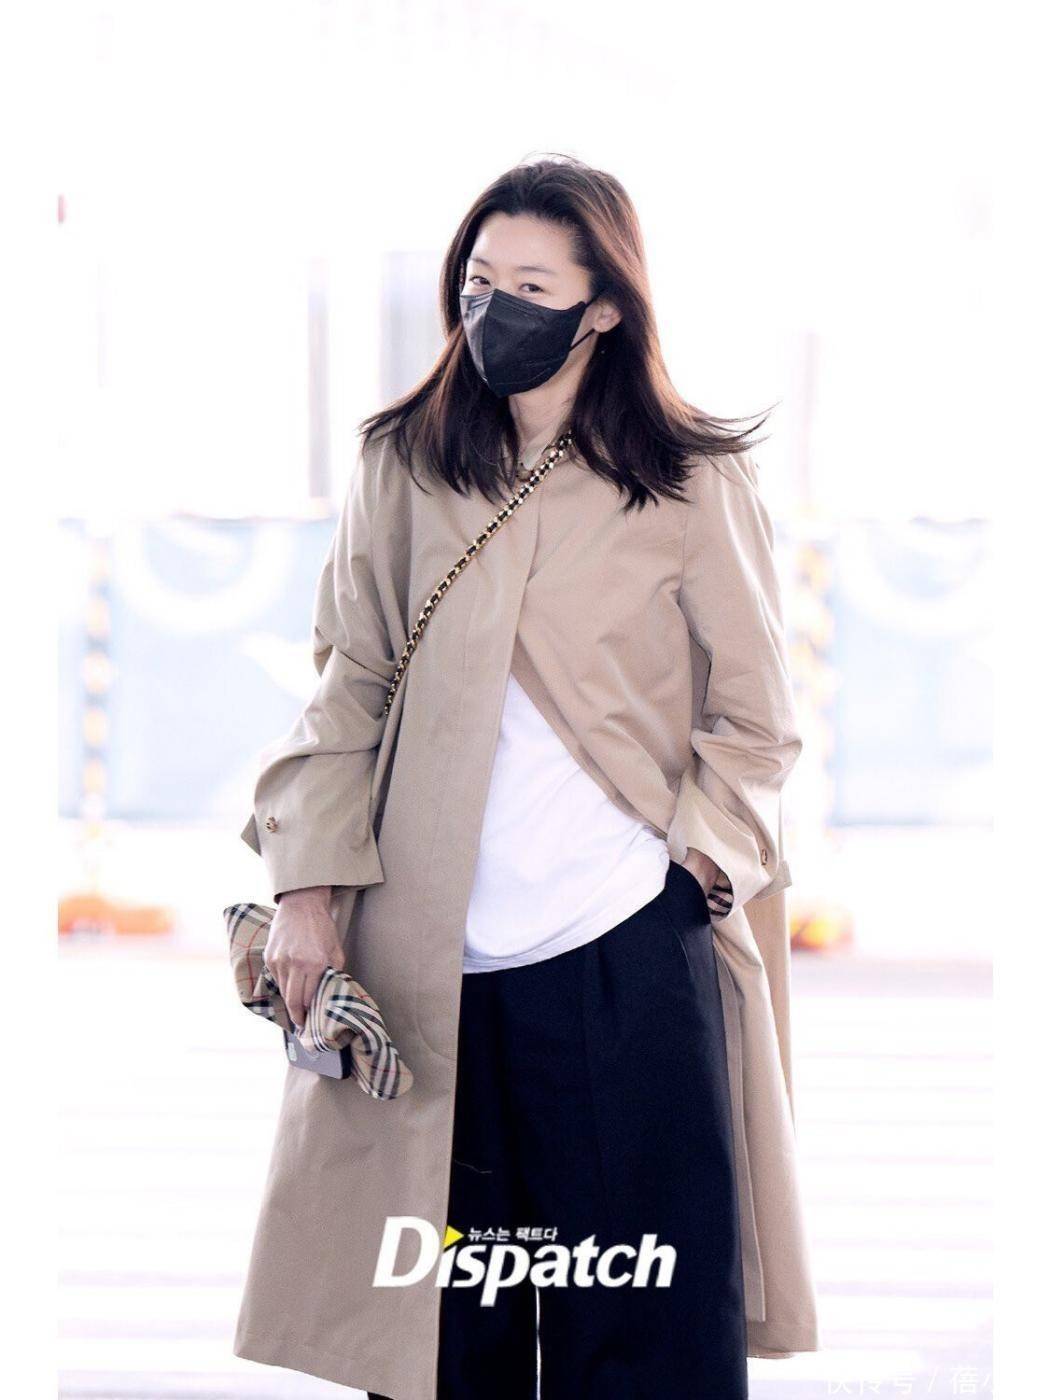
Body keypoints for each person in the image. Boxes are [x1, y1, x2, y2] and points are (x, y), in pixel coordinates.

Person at [234, 153, 819, 1400]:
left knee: (644, 1334)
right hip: (431, 973)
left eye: (533, 286)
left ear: (603, 305)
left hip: (625, 958)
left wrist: (690, 869)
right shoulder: (405, 461)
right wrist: (306, 890)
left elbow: (757, 717)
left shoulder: (689, 477)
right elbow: (348, 683)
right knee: (445, 1342)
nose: (494, 307)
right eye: (479, 279)